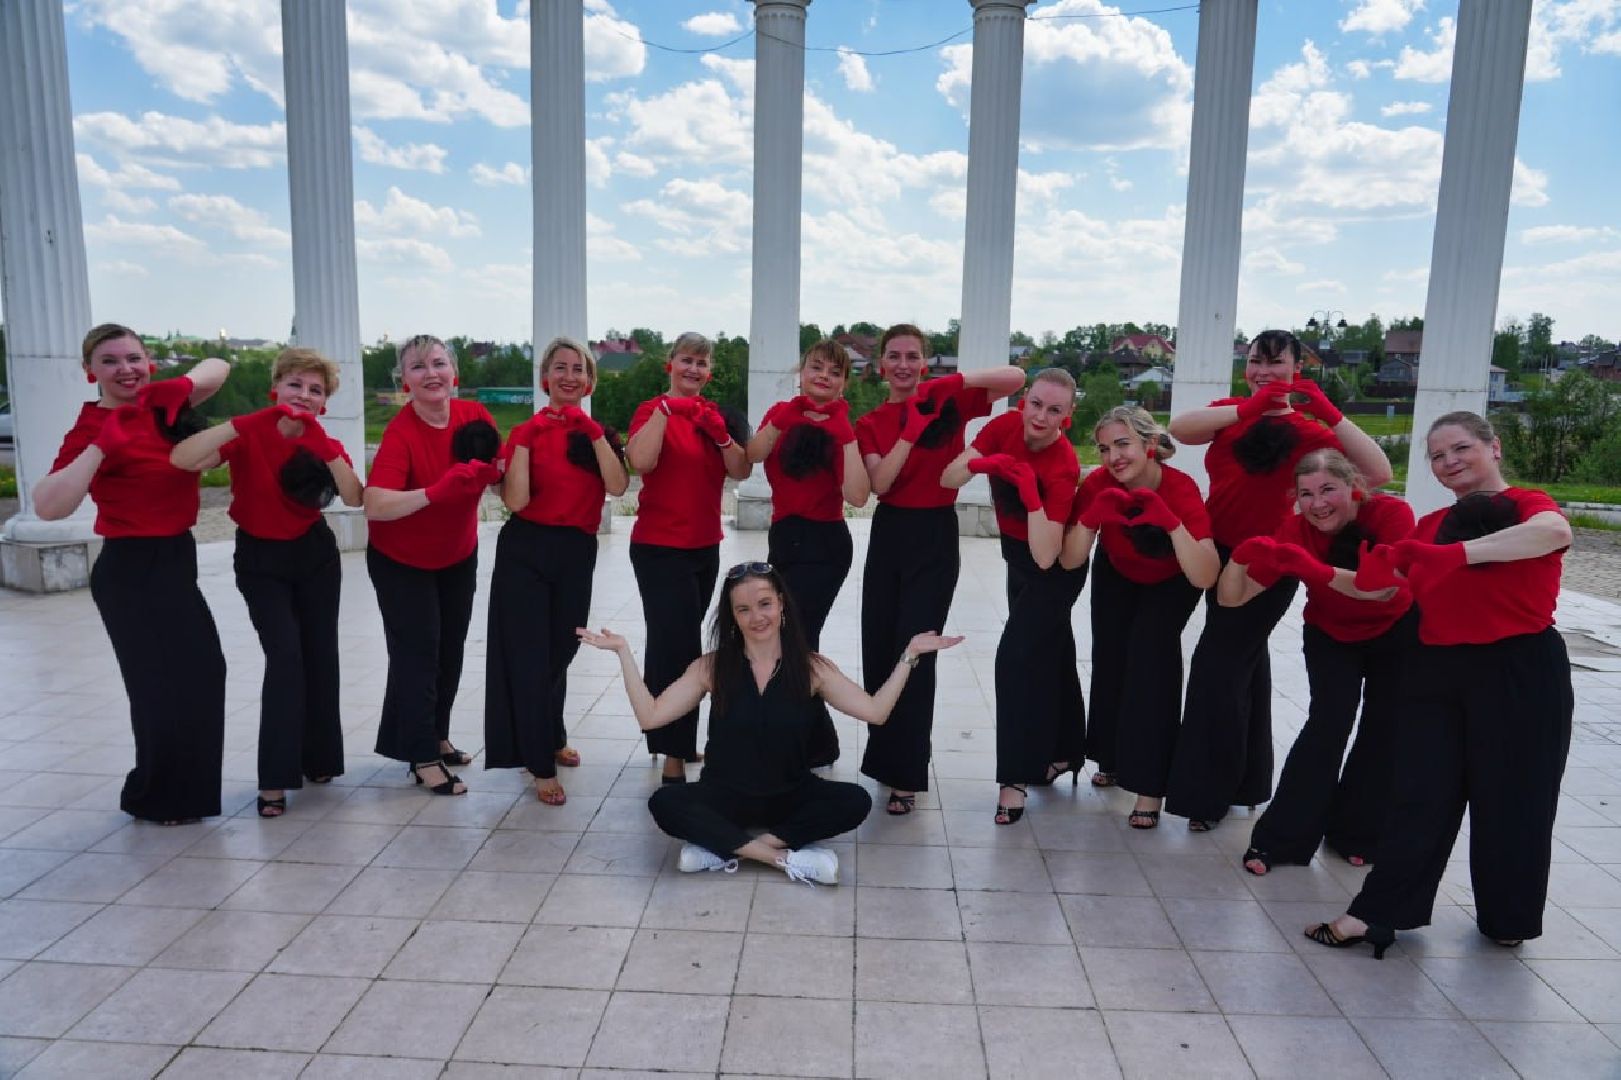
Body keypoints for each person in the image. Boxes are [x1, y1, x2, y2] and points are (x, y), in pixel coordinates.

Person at [1307, 412, 1573, 956]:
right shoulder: (1428, 524)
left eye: (1460, 448)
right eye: (1437, 455)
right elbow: (1380, 589)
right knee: (1418, 796)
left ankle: (1508, 916)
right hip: (1436, 670)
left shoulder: (1528, 504)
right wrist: (1307, 566)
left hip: (1520, 668)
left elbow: (1554, 533)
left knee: (1516, 799)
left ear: (1493, 448)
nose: (1449, 461)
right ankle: (1378, 913)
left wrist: (1455, 556)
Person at [578, 562, 962, 883]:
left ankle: (723, 849)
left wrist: (910, 655)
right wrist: (624, 654)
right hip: (724, 795)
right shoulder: (711, 667)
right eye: (743, 609)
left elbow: (876, 712)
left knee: (856, 801)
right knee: (664, 802)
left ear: (781, 605)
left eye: (764, 603)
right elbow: (651, 716)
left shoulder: (813, 668)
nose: (756, 616)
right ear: (732, 616)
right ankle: (782, 859)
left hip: (788, 796)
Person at [1163, 330, 1392, 829]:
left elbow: (1378, 473)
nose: (1264, 372)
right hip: (1214, 548)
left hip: (1270, 560)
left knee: (1218, 666)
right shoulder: (1230, 413)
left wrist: (1329, 413)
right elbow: (1181, 429)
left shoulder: (1311, 432)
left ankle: (1206, 795)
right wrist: (1249, 407)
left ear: (1297, 369)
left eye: (1276, 363)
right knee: (1245, 662)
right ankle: (1246, 781)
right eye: (1255, 363)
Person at [33, 324, 231, 824]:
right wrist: (102, 445)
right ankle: (158, 797)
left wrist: (178, 387)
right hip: (131, 568)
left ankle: (186, 794)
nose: (125, 369)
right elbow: (49, 507)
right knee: (157, 685)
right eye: (110, 361)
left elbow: (218, 370)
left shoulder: (162, 406)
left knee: (205, 673)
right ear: (89, 372)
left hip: (176, 558)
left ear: (149, 363)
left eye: (134, 358)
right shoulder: (88, 427)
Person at [170, 348, 363, 817]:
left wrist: (324, 445)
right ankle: (274, 779)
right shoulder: (248, 432)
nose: (304, 395)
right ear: (275, 389)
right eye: (295, 384)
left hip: (314, 555)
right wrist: (243, 423)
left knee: (320, 655)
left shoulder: (322, 439)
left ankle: (319, 759)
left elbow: (356, 497)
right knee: (285, 656)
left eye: (316, 390)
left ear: (324, 404)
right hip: (260, 558)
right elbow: (184, 459)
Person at [1218, 449, 1415, 872]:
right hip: (1331, 632)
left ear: (1355, 489)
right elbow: (1231, 599)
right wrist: (1239, 558)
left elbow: (1382, 590)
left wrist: (1315, 569)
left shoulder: (1392, 514)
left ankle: (1357, 833)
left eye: (1328, 490)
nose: (1318, 503)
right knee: (1327, 724)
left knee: (1385, 728)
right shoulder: (1294, 529)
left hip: (1396, 628)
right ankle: (1281, 841)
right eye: (1306, 494)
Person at [856, 324, 1026, 815]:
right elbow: (881, 485)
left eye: (913, 356)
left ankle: (907, 775)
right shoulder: (871, 422)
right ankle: (884, 764)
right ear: (882, 366)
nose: (904, 364)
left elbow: (1015, 377)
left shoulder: (950, 401)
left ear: (925, 363)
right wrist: (911, 429)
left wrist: (949, 384)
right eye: (895, 356)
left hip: (934, 533)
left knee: (917, 648)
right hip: (890, 532)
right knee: (879, 646)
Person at [485, 337, 628, 805]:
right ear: (545, 378)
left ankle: (549, 733)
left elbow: (618, 486)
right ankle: (538, 760)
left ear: (590, 381)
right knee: (531, 657)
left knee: (561, 647)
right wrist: (524, 439)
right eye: (560, 368)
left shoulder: (596, 432)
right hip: (526, 548)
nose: (569, 376)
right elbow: (516, 501)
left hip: (576, 549)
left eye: (579, 370)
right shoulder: (525, 432)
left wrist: (591, 432)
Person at [1063, 406, 1219, 830]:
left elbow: (1206, 574)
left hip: (1173, 575)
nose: (1114, 456)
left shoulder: (1180, 488)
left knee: (1152, 661)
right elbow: (1070, 558)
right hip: (1118, 568)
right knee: (1111, 659)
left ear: (1150, 446)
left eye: (1123, 444)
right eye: (1104, 448)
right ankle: (1112, 757)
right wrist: (1092, 518)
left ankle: (1150, 785)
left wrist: (1169, 522)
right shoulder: (1098, 483)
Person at [363, 334, 502, 796]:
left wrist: (500, 474)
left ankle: (436, 736)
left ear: (454, 373)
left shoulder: (473, 416)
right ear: (405, 381)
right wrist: (435, 492)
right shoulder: (402, 431)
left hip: (456, 552)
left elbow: (499, 465)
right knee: (417, 654)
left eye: (438, 363)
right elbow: (375, 503)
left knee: (450, 649)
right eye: (418, 367)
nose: (430, 374)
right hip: (401, 559)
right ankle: (421, 756)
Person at [942, 368, 1082, 823]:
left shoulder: (1063, 465)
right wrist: (982, 462)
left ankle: (1014, 780)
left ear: (1068, 417)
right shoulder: (1004, 426)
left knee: (1016, 660)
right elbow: (949, 478)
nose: (1040, 416)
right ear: (1025, 401)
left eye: (1054, 410)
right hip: (1016, 558)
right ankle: (1067, 750)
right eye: (1036, 403)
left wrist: (1030, 494)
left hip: (1053, 568)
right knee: (1053, 653)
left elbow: (1046, 556)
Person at [625, 332, 753, 784]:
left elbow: (741, 470)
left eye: (701, 362)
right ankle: (673, 750)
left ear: (709, 371)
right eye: (686, 360)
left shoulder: (713, 415)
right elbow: (639, 461)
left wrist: (719, 436)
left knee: (678, 643)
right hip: (659, 547)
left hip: (703, 546)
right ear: (670, 365)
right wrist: (664, 413)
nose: (693, 369)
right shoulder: (651, 409)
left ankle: (673, 736)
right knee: (677, 646)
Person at [745, 339, 871, 766]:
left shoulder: (842, 428)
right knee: (793, 644)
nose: (823, 376)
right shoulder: (781, 416)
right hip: (784, 538)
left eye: (834, 372)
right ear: (801, 371)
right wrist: (783, 419)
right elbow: (751, 457)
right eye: (816, 367)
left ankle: (802, 745)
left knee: (793, 643)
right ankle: (816, 743)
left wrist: (846, 437)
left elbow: (857, 496)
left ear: (843, 383)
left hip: (825, 543)